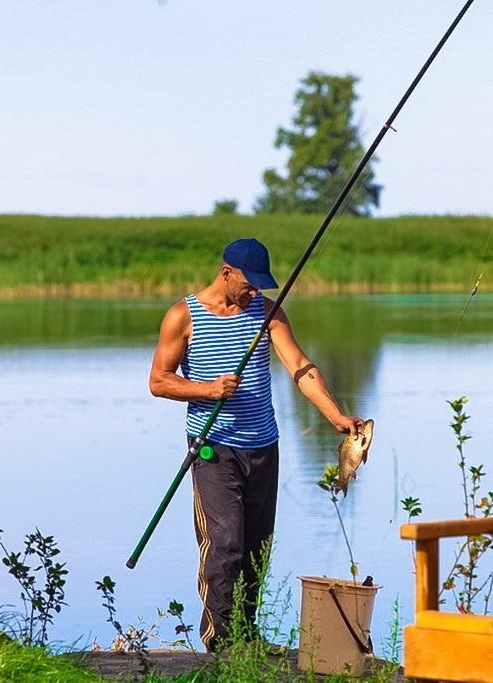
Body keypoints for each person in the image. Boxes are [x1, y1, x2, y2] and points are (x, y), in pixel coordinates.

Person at [149, 237, 363, 651]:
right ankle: (222, 641)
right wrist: (208, 390)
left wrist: (335, 415)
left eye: (261, 284)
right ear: (226, 272)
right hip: (213, 449)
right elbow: (159, 380)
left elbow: (300, 367)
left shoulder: (268, 314)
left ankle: (248, 636)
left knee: (255, 548)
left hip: (264, 446)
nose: (255, 291)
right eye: (249, 283)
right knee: (225, 543)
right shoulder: (183, 316)